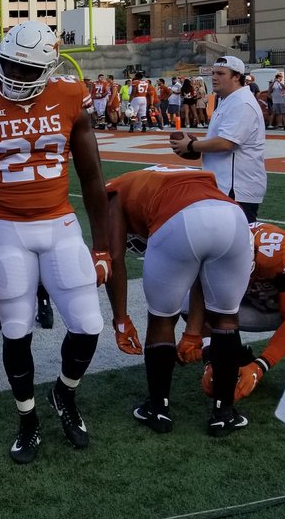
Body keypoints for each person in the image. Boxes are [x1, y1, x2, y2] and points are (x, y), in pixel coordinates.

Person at [0, 21, 111, 465]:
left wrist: (102, 247)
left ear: (48, 68)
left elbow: (93, 176)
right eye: (9, 65)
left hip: (60, 225)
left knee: (88, 325)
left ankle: (65, 393)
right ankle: (27, 419)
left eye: (27, 70)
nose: (15, 77)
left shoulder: (68, 96)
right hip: (6, 229)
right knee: (18, 330)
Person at [104, 165, 253, 437]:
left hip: (176, 221)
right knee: (227, 317)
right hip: (232, 216)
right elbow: (200, 271)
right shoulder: (180, 176)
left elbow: (114, 256)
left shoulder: (114, 190)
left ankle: (158, 409)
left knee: (161, 318)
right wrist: (193, 332)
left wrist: (121, 320)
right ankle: (224, 413)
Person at [176, 221, 285, 403]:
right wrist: (209, 355)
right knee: (188, 302)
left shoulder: (282, 252)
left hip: (284, 305)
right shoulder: (211, 254)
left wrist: (260, 366)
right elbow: (202, 300)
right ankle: (236, 357)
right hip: (246, 304)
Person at [169, 54, 266, 221]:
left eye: (220, 74)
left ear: (236, 77)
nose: (214, 77)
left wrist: (191, 145)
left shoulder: (241, 102)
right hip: (226, 184)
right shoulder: (229, 99)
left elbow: (226, 143)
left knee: (238, 243)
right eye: (213, 73)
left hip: (236, 187)